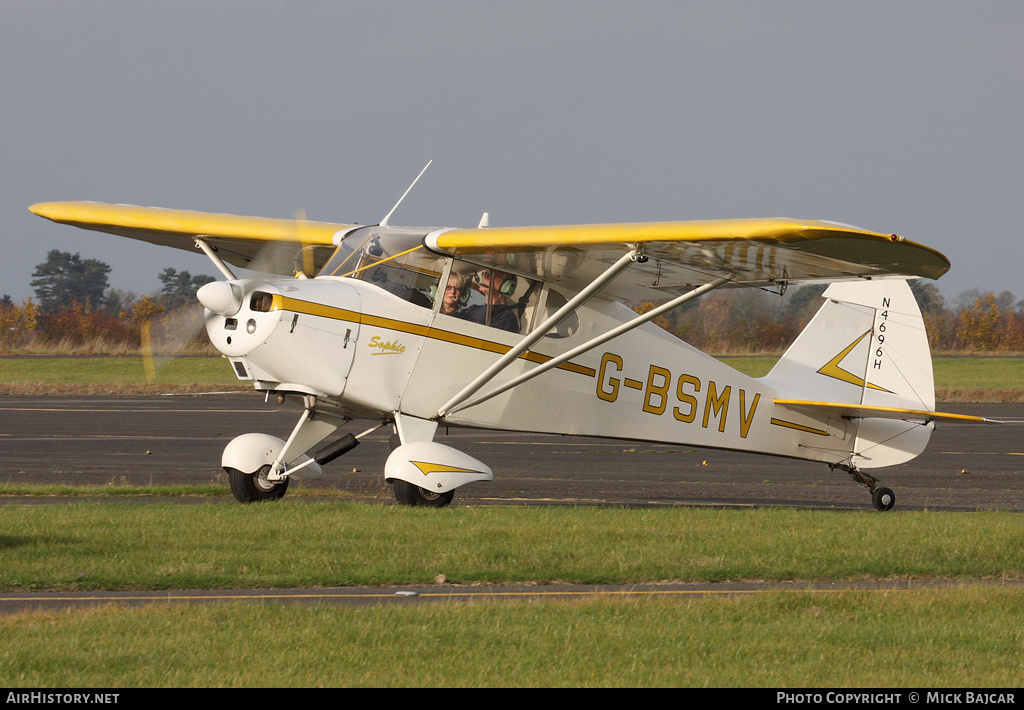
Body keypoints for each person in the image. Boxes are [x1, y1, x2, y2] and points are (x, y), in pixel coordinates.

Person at [456, 269, 520, 333]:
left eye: (492, 275)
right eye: (485, 274)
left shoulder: (507, 318)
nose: (485, 277)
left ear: (507, 287)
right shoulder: (473, 309)